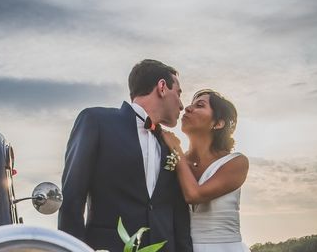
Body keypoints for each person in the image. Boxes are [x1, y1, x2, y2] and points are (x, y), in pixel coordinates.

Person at [58, 59, 193, 252]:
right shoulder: (96, 121)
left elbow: (179, 215)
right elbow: (72, 198)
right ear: (162, 87)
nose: (181, 105)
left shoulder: (171, 145)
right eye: (178, 93)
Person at [162, 89, 250, 252]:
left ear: (218, 123)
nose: (188, 108)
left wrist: (176, 149)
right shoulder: (173, 159)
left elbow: (195, 195)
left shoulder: (237, 162)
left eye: (200, 106)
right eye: (191, 104)